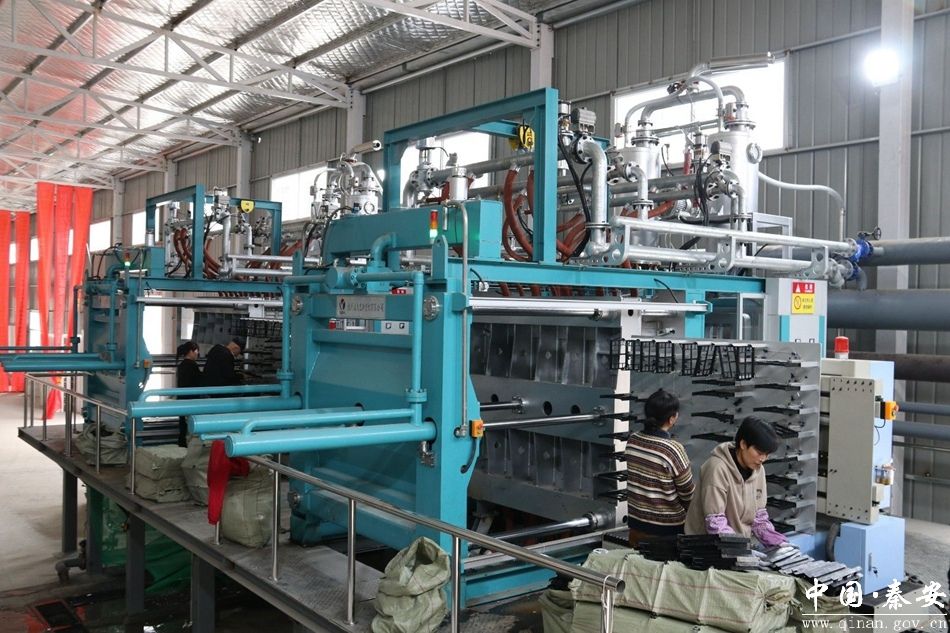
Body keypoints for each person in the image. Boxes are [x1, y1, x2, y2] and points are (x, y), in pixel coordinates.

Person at [684, 416, 788, 548]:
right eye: (759, 452)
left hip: (739, 545)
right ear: (743, 444)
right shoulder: (717, 468)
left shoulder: (758, 469)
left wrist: (778, 543)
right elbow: (715, 523)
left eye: (767, 454)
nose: (763, 459)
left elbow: (759, 518)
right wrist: (740, 550)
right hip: (706, 547)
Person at [626, 388, 695, 546]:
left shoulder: (633, 440)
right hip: (667, 532)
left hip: (636, 527)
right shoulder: (673, 449)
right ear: (672, 419)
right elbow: (688, 494)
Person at [175, 341, 202, 447]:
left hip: (182, 399)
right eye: (196, 351)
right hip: (191, 399)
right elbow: (198, 382)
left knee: (183, 425)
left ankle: (182, 444)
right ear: (190, 351)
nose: (197, 353)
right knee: (190, 425)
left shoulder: (182, 365)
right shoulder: (192, 365)